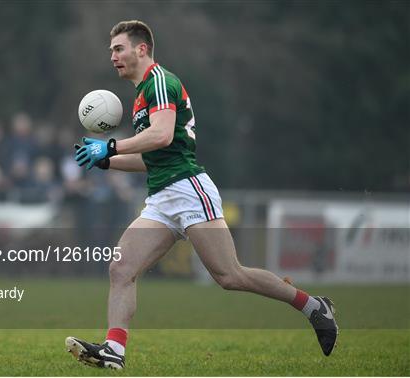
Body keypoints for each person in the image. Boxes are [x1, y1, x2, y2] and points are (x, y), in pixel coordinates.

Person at [66, 20, 338, 370]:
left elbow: (162, 136)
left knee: (229, 276)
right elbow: (152, 158)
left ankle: (313, 306)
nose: (113, 56)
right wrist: (108, 162)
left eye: (118, 49)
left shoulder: (160, 81)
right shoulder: (141, 96)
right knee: (121, 267)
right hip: (162, 197)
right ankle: (114, 351)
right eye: (111, 51)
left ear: (141, 49)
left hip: (189, 189)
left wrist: (111, 146)